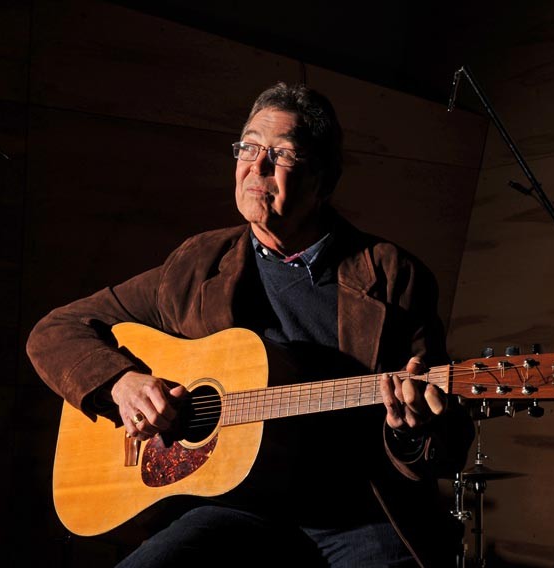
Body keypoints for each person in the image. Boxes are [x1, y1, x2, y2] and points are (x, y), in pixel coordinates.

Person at [27, 82, 474, 567]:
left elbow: (447, 442)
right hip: (232, 506)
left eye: (281, 154)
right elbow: (57, 330)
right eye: (249, 147)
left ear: (324, 178)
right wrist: (123, 383)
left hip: (356, 509)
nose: (257, 166)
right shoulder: (199, 263)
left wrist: (411, 431)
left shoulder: (392, 276)